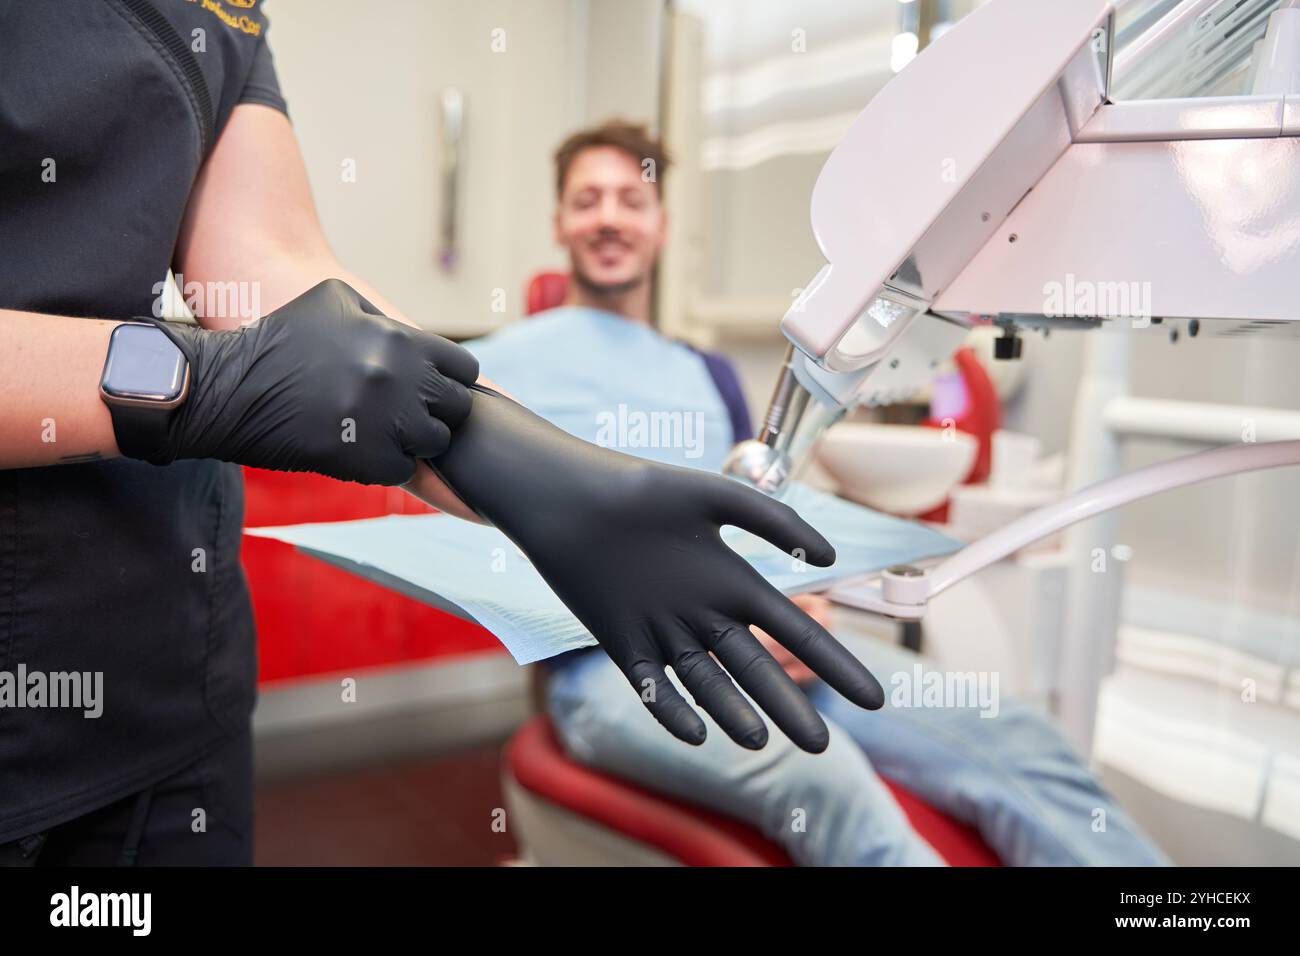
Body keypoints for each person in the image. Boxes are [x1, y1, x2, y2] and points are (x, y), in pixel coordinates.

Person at [0, 4, 882, 866]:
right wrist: (206, 382)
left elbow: (274, 265)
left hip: (175, 671)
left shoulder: (226, 11)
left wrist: (551, 478)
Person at [465, 119, 1172, 866]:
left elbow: (753, 518)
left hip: (752, 644)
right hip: (611, 669)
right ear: (559, 223)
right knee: (824, 778)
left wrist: (797, 602)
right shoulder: (497, 372)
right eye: (587, 200)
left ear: (661, 225)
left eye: (629, 200)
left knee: (1014, 734)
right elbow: (476, 549)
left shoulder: (708, 375)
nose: (609, 216)